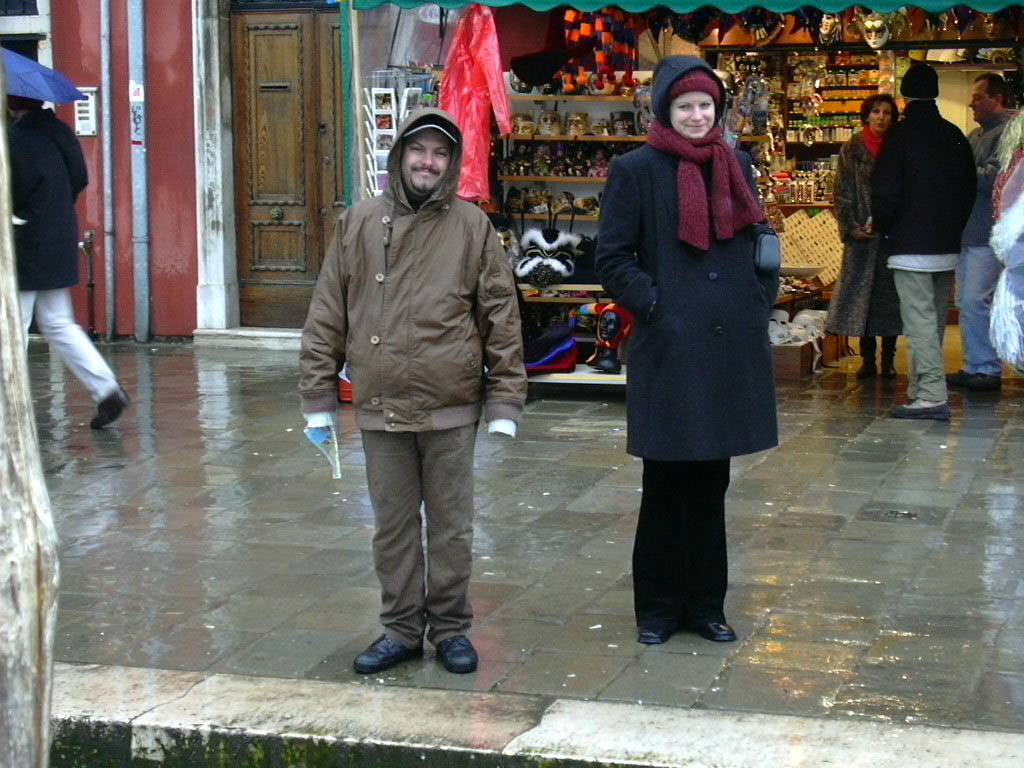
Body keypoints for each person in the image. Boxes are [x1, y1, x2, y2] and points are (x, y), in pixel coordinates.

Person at [298, 108, 526, 675]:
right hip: (379, 408)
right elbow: (327, 312)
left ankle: (449, 628)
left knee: (451, 528)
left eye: (440, 153)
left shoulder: (472, 228)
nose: (428, 161)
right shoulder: (358, 224)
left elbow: (501, 315)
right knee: (393, 528)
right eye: (418, 150)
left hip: (450, 408)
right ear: (399, 155)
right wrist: (318, 398)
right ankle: (400, 629)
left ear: (451, 164)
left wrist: (504, 401)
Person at [596, 56, 778, 646]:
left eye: (705, 105)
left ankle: (706, 606)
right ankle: (657, 607)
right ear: (664, 111)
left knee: (711, 486)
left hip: (727, 351)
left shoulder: (737, 164)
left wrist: (758, 296)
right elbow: (612, 259)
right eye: (685, 106)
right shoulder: (636, 170)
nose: (697, 116)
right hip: (671, 351)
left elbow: (757, 239)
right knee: (666, 485)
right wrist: (657, 306)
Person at [8, 94, 129, 429]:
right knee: (58, 323)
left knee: (12, 326)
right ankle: (107, 390)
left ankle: (9, 409)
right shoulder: (60, 131)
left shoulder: (18, 140)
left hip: (26, 242)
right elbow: (79, 178)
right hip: (59, 235)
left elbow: (14, 190)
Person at [870, 63, 976, 420]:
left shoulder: (899, 137)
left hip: (909, 244)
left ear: (905, 95)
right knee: (931, 322)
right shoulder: (954, 135)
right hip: (946, 244)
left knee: (918, 323)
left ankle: (931, 394)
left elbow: (885, 191)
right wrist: (952, 228)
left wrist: (884, 226)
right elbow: (968, 191)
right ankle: (918, 388)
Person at [826, 94, 902, 379]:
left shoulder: (898, 147)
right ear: (867, 115)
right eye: (876, 112)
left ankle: (889, 359)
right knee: (862, 299)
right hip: (861, 237)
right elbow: (841, 191)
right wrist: (851, 227)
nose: (881, 117)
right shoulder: (853, 148)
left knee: (889, 301)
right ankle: (867, 359)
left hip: (891, 237)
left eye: (887, 113)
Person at [947, 73, 1012, 392]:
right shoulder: (974, 136)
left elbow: (996, 180)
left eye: (977, 97)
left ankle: (987, 368)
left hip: (988, 232)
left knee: (975, 300)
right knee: (964, 300)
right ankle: (975, 364)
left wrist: (959, 172)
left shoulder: (1010, 134)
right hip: (967, 230)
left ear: (996, 98)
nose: (971, 103)